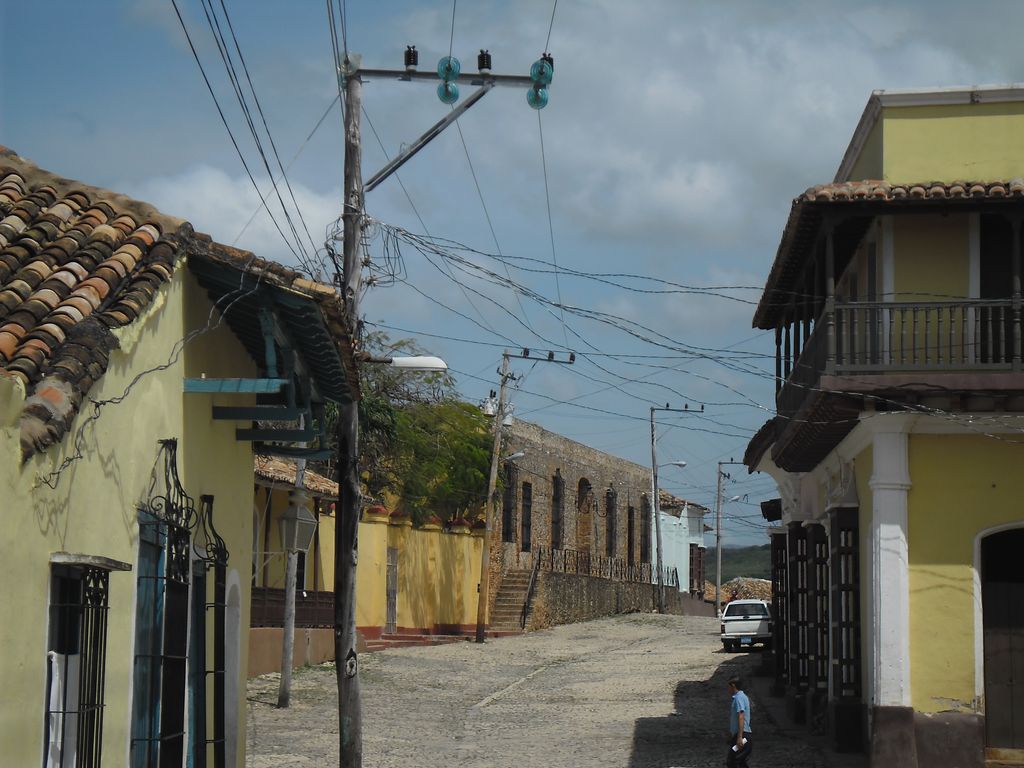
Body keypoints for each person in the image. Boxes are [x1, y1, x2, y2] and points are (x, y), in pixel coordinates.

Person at [727, 676, 753, 767]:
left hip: (743, 738)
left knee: (733, 760)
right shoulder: (741, 697)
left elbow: (741, 716)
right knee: (739, 761)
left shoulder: (739, 698)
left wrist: (739, 737)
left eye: (728, 686)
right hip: (742, 737)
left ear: (733, 686)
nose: (728, 689)